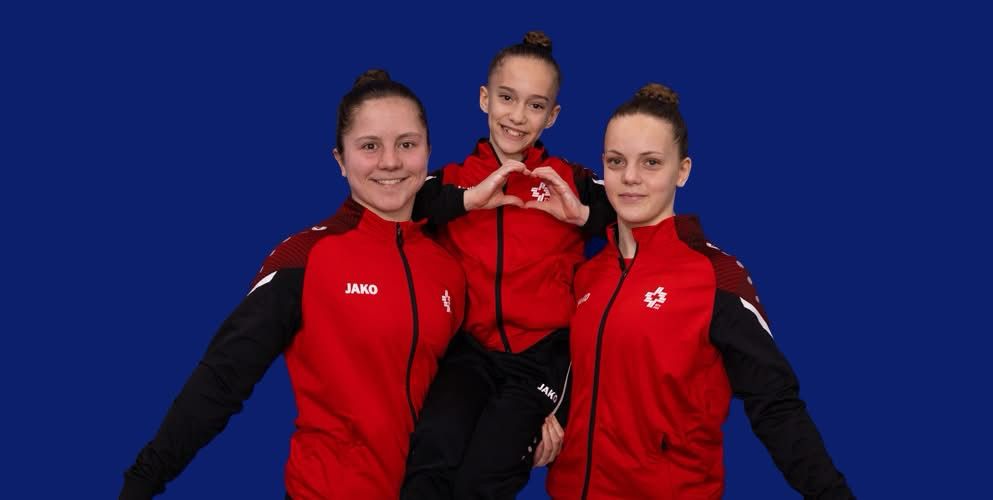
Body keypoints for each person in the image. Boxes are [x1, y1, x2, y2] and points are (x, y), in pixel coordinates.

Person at [118, 69, 474, 499]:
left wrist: (537, 416)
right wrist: (141, 482)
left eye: (407, 144)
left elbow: (474, 379)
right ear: (340, 159)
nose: (390, 162)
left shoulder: (448, 267)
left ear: (428, 151)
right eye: (369, 146)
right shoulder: (307, 256)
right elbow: (222, 378)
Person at [538, 83, 855, 499]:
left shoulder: (715, 276)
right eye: (616, 161)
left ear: (682, 171)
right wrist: (544, 418)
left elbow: (775, 405)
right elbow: (574, 379)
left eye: (651, 163)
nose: (630, 177)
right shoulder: (589, 274)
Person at [402, 31, 615, 499]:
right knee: (430, 452)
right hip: (470, 352)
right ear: (484, 99)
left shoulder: (570, 180)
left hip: (541, 359)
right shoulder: (451, 180)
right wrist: (465, 201)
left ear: (552, 115)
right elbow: (394, 203)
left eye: (535, 105)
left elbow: (638, 210)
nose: (518, 116)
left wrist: (583, 216)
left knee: (482, 479)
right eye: (506, 98)